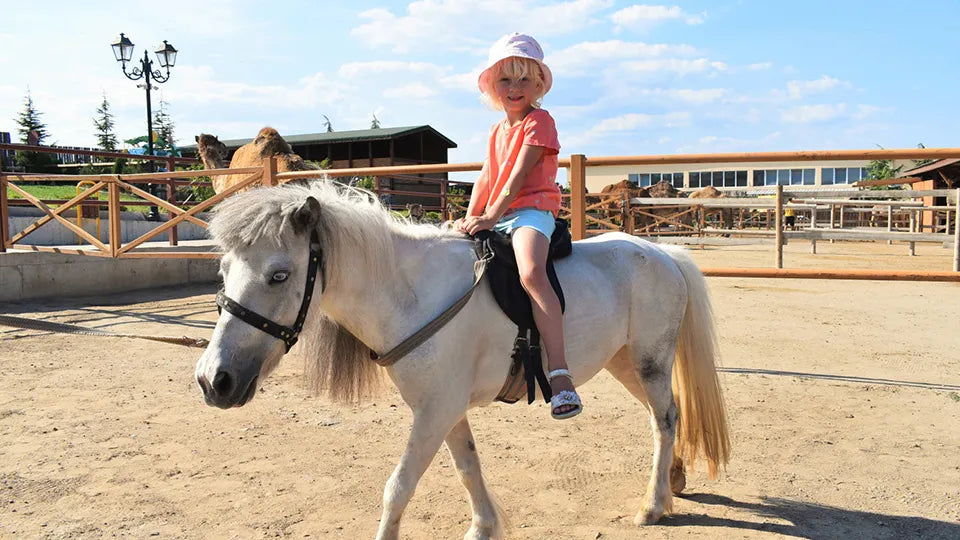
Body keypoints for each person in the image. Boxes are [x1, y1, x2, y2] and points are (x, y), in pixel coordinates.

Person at [454, 33, 581, 419]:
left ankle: (559, 374)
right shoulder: (497, 131)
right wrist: (469, 216)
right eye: (506, 80)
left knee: (530, 271)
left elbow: (518, 176)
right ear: (494, 86)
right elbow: (486, 178)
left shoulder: (539, 122)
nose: (514, 88)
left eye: (524, 79)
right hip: (500, 210)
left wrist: (490, 217)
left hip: (531, 210)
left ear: (538, 84)